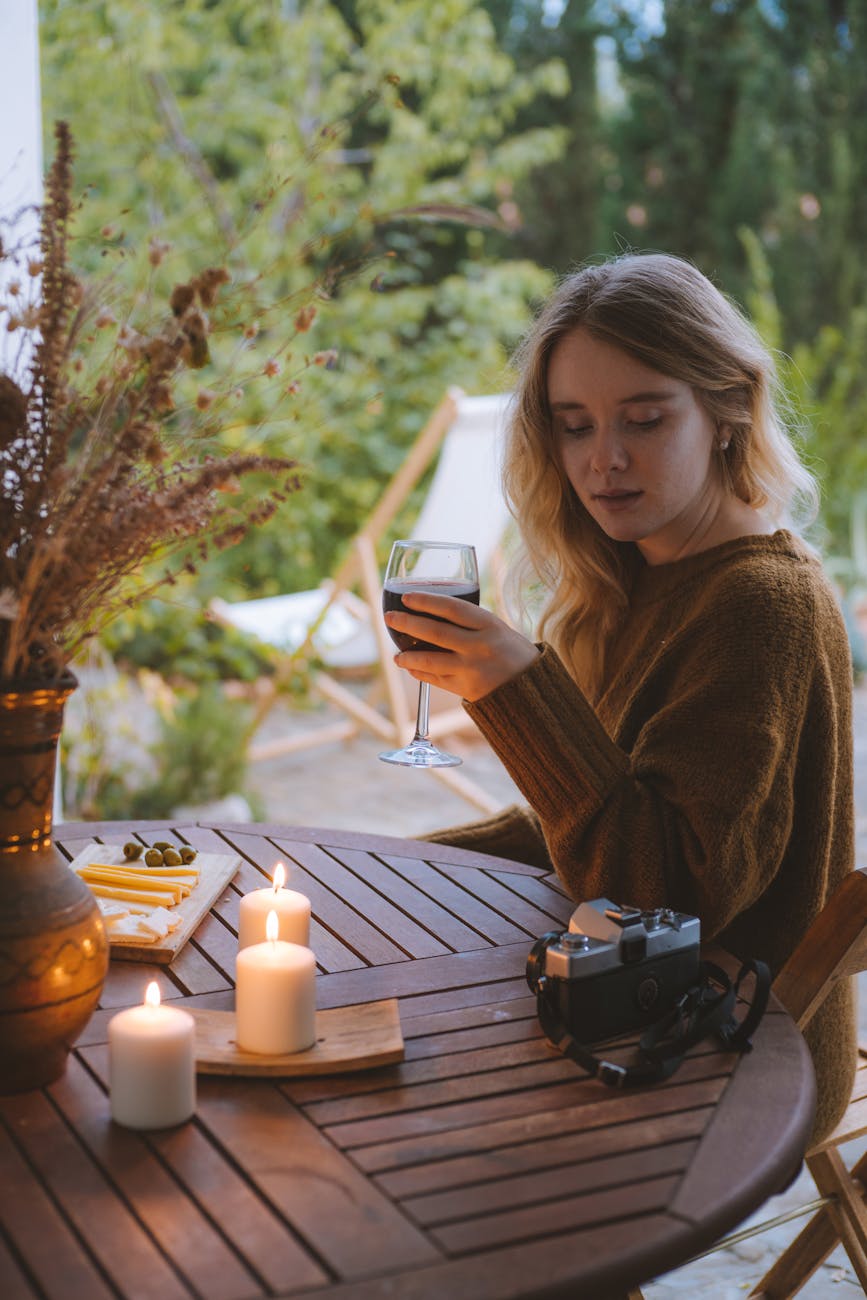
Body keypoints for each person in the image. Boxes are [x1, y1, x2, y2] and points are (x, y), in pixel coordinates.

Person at [383, 252, 855, 1143]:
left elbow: (659, 893)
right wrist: (386, 869)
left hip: (737, 1037)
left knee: (409, 1101)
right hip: (638, 999)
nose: (602, 460)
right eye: (573, 425)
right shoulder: (631, 581)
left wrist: (519, 692)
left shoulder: (759, 603)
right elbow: (584, 834)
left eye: (643, 419)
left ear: (726, 412)